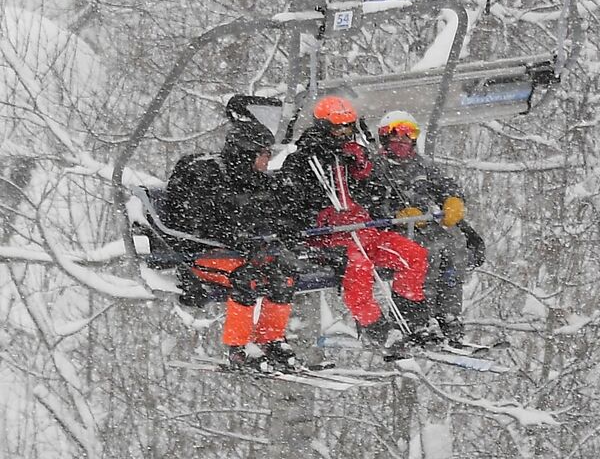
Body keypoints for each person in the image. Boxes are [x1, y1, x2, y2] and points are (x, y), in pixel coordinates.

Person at [162, 96, 306, 373]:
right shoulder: (208, 178)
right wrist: (236, 235)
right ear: (245, 154)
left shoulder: (256, 181)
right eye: (263, 154)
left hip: (241, 255)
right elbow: (195, 224)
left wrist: (285, 228)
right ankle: (239, 348)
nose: (267, 160)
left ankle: (270, 339)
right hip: (201, 258)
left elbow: (275, 215)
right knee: (247, 279)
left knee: (284, 275)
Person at [281, 96, 430, 341]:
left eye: (348, 126)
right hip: (331, 235)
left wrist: (362, 169)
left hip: (364, 228)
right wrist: (318, 215)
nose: (343, 132)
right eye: (337, 126)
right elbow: (293, 203)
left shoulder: (356, 154)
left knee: (414, 255)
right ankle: (376, 329)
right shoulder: (303, 159)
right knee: (359, 269)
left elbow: (377, 195)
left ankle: (413, 320)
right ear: (323, 126)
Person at [369, 111, 486, 344]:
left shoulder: (421, 165)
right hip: (394, 230)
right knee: (427, 253)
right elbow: (368, 200)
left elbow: (444, 185)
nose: (402, 141)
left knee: (453, 246)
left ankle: (449, 314)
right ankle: (421, 317)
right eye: (396, 135)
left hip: (423, 224)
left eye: (408, 135)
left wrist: (452, 199)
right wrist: (394, 214)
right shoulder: (376, 167)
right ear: (384, 138)